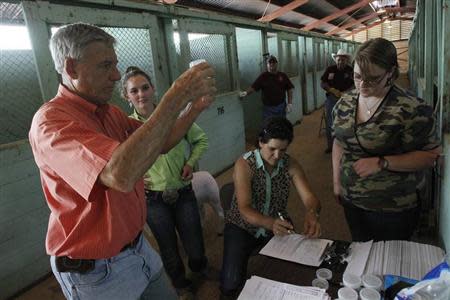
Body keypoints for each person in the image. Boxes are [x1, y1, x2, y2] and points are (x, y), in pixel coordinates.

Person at [28, 23, 216, 300]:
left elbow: (160, 141)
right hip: (96, 271)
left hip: (137, 248)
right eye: (106, 66)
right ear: (71, 68)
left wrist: (194, 107)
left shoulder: (109, 113)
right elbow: (120, 175)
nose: (116, 75)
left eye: (115, 65)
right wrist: (176, 95)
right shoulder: (52, 123)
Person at [332, 38, 441, 242]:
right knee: (360, 252)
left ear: (390, 73)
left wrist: (383, 162)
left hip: (393, 207)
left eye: (372, 79)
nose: (362, 85)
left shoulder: (411, 109)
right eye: (357, 77)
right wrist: (337, 182)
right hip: (352, 201)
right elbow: (339, 143)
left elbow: (430, 156)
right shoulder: (345, 103)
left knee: (390, 264)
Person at [121, 66, 209, 298]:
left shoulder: (174, 119)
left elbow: (200, 140)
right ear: (126, 97)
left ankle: (200, 269)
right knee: (168, 247)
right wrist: (138, 176)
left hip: (183, 192)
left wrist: (190, 162)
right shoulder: (127, 128)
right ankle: (180, 284)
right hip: (153, 199)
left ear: (153, 89)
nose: (141, 94)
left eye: (145, 87)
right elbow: (123, 164)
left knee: (195, 243)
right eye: (134, 91)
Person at [220, 117, 321, 298]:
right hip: (242, 226)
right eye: (272, 149)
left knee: (292, 271)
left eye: (283, 150)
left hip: (276, 221)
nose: (277, 156)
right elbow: (244, 208)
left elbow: (309, 198)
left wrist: (312, 213)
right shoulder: (245, 164)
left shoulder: (289, 163)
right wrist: (270, 223)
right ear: (260, 142)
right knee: (230, 285)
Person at [239, 55, 294, 121]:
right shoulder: (263, 76)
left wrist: (290, 103)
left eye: (273, 62)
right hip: (268, 109)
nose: (272, 64)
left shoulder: (282, 75)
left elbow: (289, 88)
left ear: (277, 64)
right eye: (269, 63)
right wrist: (245, 93)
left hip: (281, 107)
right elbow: (254, 87)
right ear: (267, 65)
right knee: (269, 126)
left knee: (281, 125)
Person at [320, 49, 354, 153]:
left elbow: (355, 84)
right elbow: (323, 83)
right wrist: (331, 89)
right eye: (339, 60)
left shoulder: (350, 70)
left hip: (347, 98)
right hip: (332, 98)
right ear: (336, 60)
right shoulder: (330, 69)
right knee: (331, 122)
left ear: (346, 60)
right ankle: (331, 146)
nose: (340, 62)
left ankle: (346, 146)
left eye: (343, 60)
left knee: (347, 122)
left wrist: (347, 92)